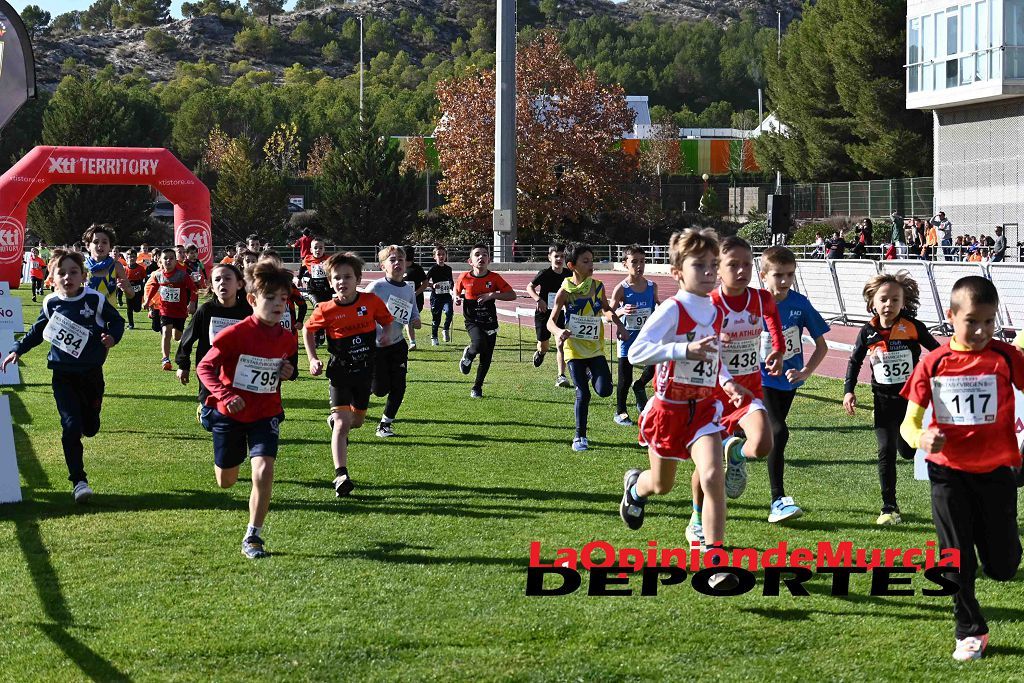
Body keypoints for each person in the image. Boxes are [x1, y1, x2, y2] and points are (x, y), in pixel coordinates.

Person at [899, 276, 1023, 661]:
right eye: (972, 321)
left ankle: (998, 555)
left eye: (989, 321)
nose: (982, 330)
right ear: (952, 317)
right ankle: (969, 630)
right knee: (955, 557)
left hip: (997, 471)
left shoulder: (1005, 357)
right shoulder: (933, 363)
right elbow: (908, 425)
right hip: (947, 471)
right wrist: (922, 439)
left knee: (1003, 566)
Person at [618, 229, 749, 590]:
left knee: (711, 475)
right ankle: (635, 489)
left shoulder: (718, 308)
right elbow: (636, 353)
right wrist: (681, 351)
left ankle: (716, 560)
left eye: (713, 265)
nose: (709, 272)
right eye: (699, 266)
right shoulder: (671, 309)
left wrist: (726, 381)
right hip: (669, 410)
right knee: (661, 485)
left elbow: (714, 356)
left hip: (705, 409)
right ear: (677, 271)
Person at [1, 251, 124, 502]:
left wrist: (112, 338)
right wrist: (17, 350)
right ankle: (79, 481)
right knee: (70, 427)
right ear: (52, 278)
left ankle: (91, 418)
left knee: (89, 427)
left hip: (91, 374)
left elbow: (117, 322)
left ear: (83, 276)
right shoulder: (50, 303)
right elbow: (37, 332)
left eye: (74, 272)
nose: (68, 277)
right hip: (62, 375)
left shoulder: (96, 299)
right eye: (62, 273)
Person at [197, 262, 297, 560]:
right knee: (226, 480)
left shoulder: (287, 337)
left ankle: (253, 534)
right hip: (229, 413)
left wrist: (287, 371)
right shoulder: (234, 334)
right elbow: (205, 367)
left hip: (265, 413)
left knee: (264, 469)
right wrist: (225, 395)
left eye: (283, 298)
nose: (279, 303)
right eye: (271, 297)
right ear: (252, 300)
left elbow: (285, 369)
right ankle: (213, 424)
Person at [690, 236, 785, 544]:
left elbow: (772, 317)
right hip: (712, 396)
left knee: (762, 443)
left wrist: (779, 349)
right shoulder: (710, 305)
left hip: (748, 391)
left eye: (747, 264)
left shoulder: (760, 298)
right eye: (734, 265)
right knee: (708, 469)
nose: (742, 270)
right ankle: (696, 516)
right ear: (718, 268)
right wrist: (718, 351)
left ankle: (738, 455)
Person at [843, 272, 940, 525]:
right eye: (883, 299)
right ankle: (889, 507)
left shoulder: (913, 327)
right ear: (872, 302)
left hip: (912, 402)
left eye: (895, 300)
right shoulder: (868, 331)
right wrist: (848, 390)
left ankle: (909, 442)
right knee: (885, 451)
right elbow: (854, 361)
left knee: (907, 452)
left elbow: (938, 352)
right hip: (883, 402)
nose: (889, 305)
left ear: (903, 302)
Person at [304, 252, 394, 497]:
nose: (342, 282)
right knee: (343, 424)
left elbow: (387, 321)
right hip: (340, 372)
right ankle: (341, 475)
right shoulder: (325, 309)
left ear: (358, 279)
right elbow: (308, 330)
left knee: (356, 422)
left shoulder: (371, 302)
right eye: (337, 278)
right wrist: (313, 358)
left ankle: (336, 423)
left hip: (365, 373)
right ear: (331, 283)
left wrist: (385, 333)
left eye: (347, 277)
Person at [757, 247, 830, 522]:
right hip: (759, 378)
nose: (785, 281)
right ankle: (778, 500)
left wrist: (805, 372)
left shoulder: (800, 304)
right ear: (764, 276)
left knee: (766, 436)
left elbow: (821, 345)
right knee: (778, 431)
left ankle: (736, 446)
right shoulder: (753, 303)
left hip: (788, 382)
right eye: (778, 275)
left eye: (790, 275)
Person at [548, 243, 626, 452]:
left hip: (595, 349)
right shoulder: (565, 291)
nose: (591, 265)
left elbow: (606, 309)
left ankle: (592, 373)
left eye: (592, 260)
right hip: (574, 350)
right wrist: (558, 332)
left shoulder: (598, 286)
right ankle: (579, 436)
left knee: (605, 390)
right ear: (572, 265)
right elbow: (551, 321)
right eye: (586, 261)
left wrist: (617, 324)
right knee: (583, 394)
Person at [175, 263, 252, 417]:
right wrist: (183, 365)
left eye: (227, 278)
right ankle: (204, 412)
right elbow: (187, 339)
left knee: (236, 411)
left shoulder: (248, 312)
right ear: (212, 286)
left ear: (239, 284)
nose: (222, 282)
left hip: (239, 369)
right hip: (210, 369)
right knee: (211, 415)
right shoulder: (206, 310)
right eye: (217, 279)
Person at [365, 245, 420, 436]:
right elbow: (361, 311)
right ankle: (351, 401)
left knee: (399, 385)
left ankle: (385, 424)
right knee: (380, 390)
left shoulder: (408, 288)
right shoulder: (376, 287)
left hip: (398, 345)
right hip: (377, 347)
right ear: (383, 266)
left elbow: (413, 313)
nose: (398, 263)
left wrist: (416, 320)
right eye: (393, 260)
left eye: (401, 260)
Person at [455, 243, 516, 398]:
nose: (481, 257)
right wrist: (456, 298)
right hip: (472, 320)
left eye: (484, 254)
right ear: (470, 261)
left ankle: (477, 387)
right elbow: (456, 292)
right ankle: (468, 354)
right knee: (478, 343)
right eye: (477, 254)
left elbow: (511, 295)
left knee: (487, 357)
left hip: (489, 320)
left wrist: (492, 295)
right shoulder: (464, 277)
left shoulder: (494, 277)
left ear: (489, 259)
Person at [609, 245, 658, 426]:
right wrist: (622, 311)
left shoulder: (652, 287)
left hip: (648, 338)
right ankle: (620, 411)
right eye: (634, 262)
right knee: (625, 378)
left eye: (642, 261)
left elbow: (660, 307)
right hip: (627, 339)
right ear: (625, 264)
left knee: (654, 368)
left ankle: (640, 385)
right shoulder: (621, 288)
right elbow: (608, 314)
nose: (639, 265)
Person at [144, 248, 198, 371]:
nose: (168, 261)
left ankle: (177, 341)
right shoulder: (158, 275)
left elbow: (193, 289)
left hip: (180, 311)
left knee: (177, 337)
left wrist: (192, 303)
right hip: (165, 309)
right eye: (165, 258)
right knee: (166, 332)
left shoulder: (182, 275)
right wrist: (147, 301)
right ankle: (165, 359)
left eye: (171, 258)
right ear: (160, 261)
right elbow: (153, 287)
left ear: (176, 261)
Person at [527, 244, 572, 387]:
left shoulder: (568, 274)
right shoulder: (544, 273)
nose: (559, 259)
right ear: (549, 258)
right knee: (544, 345)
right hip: (544, 313)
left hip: (561, 313)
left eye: (562, 256)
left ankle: (561, 376)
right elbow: (530, 287)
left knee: (561, 343)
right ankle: (540, 353)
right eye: (556, 256)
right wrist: (538, 300)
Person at [82, 223, 133, 307]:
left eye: (104, 242)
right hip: (88, 315)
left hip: (109, 316)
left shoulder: (116, 266)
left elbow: (131, 295)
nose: (100, 245)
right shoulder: (82, 267)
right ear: (88, 246)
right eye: (96, 242)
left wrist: (126, 289)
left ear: (110, 247)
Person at [425, 246, 454, 345]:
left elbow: (451, 281)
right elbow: (424, 282)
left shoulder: (448, 269)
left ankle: (445, 329)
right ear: (434, 257)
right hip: (436, 297)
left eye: (443, 254)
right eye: (438, 254)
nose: (441, 256)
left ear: (446, 256)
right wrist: (432, 285)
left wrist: (451, 286)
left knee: (449, 313)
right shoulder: (433, 269)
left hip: (446, 296)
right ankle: (434, 337)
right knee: (436, 318)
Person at [402, 245, 428, 350]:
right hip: (402, 300)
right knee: (407, 320)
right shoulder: (399, 268)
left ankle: (414, 324)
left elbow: (425, 283)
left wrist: (415, 293)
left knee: (411, 321)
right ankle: (412, 342)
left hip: (417, 300)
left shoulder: (417, 269)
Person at [123, 249, 147, 330]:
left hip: (138, 291)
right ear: (127, 258)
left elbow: (145, 278)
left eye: (133, 257)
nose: (132, 259)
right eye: (130, 257)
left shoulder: (141, 268)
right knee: (129, 308)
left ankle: (136, 306)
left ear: (136, 258)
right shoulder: (125, 269)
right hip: (128, 291)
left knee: (137, 309)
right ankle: (131, 324)